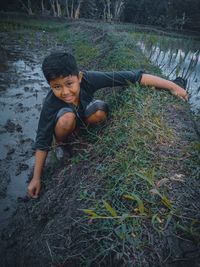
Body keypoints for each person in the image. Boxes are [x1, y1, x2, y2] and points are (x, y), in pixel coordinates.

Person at [27, 52, 188, 198]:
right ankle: (66, 145)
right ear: (50, 86)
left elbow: (134, 77)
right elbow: (42, 141)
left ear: (80, 77)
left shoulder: (89, 79)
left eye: (69, 84)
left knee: (99, 109)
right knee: (66, 118)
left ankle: (85, 135)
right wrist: (36, 178)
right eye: (57, 87)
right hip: (64, 127)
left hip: (84, 121)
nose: (65, 92)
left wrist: (173, 87)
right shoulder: (50, 103)